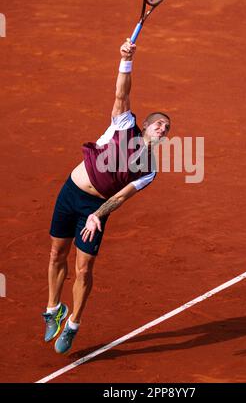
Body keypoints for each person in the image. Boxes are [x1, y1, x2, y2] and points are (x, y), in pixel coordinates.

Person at [42, 39, 171, 354]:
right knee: (56, 254)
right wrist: (125, 60)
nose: (163, 129)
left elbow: (121, 197)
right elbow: (121, 93)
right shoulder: (123, 125)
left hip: (96, 208)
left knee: (84, 269)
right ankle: (52, 309)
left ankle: (72, 323)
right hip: (70, 192)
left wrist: (97, 215)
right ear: (145, 125)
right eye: (159, 124)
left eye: (167, 129)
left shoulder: (149, 169)